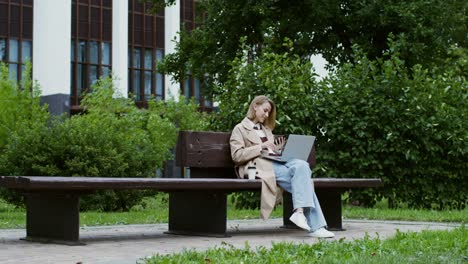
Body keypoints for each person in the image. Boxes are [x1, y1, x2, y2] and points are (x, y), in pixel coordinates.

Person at [229, 95, 335, 238]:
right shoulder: (240, 129)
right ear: (255, 106)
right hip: (259, 165)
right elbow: (237, 156)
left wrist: (277, 150)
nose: (266, 115)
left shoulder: (266, 130)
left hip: (275, 161)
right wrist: (262, 147)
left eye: (268, 113)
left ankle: (299, 213)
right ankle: (316, 226)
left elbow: (270, 151)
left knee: (302, 165)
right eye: (265, 111)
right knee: (304, 183)